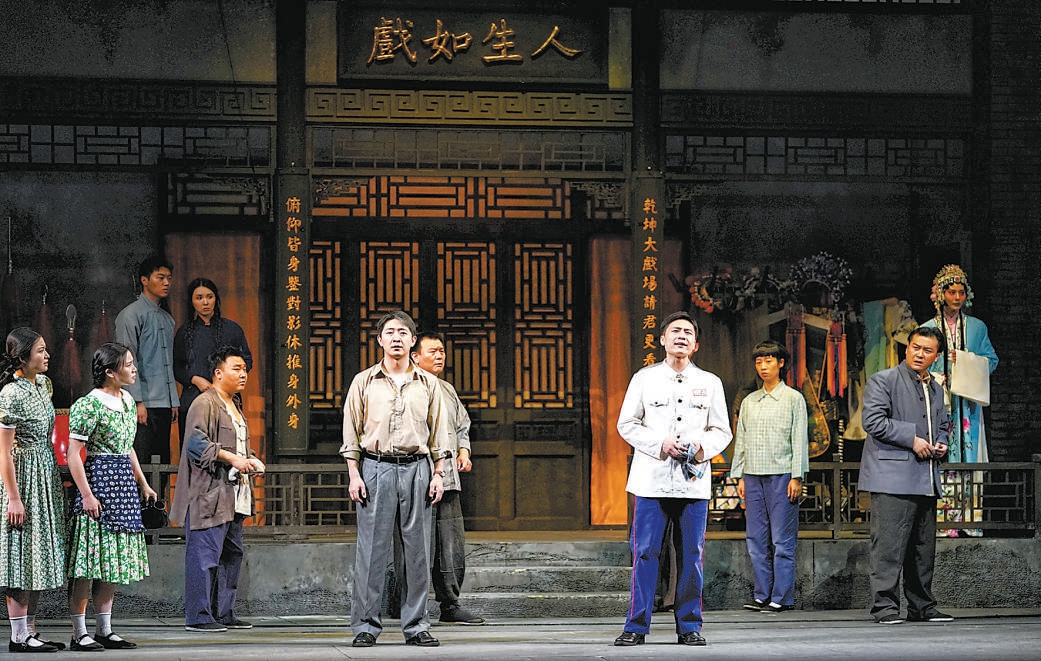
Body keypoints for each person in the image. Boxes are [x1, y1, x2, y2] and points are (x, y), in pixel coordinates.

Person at [613, 311, 733, 647]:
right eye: (675, 331)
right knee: (645, 553)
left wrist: (699, 448)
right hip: (650, 481)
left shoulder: (710, 383)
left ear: (696, 344)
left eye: (688, 332)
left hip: (692, 482)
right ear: (663, 340)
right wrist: (659, 444)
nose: (681, 336)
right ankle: (636, 626)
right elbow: (626, 424)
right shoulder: (644, 378)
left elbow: (722, 430)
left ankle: (689, 626)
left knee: (692, 555)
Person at [341, 311, 451, 649]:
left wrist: (439, 473)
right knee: (371, 552)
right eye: (390, 332)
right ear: (380, 340)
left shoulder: (429, 384)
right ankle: (365, 626)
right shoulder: (364, 381)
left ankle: (416, 626)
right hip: (375, 468)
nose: (396, 338)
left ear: (413, 340)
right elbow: (351, 431)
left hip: (418, 468)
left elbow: (439, 432)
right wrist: (354, 474)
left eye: (403, 332)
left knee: (417, 553)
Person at [66, 343, 158, 651]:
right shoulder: (89, 404)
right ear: (110, 372)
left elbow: (127, 446)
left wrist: (142, 482)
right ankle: (79, 633)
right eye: (128, 364)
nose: (133, 369)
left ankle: (104, 630)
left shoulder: (128, 400)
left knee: (112, 562)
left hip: (123, 486)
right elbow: (74, 454)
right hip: (98, 483)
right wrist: (87, 495)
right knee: (88, 563)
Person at [860, 325, 953, 625]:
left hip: (925, 476)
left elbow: (943, 423)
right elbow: (873, 421)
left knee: (923, 548)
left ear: (936, 356)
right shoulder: (884, 380)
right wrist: (912, 439)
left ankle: (922, 606)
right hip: (892, 477)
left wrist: (942, 441)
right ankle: (885, 607)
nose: (919, 354)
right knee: (889, 546)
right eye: (915, 347)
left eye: (927, 350)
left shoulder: (936, 388)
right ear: (907, 347)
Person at [169, 346, 264, 633]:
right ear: (218, 373)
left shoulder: (235, 405)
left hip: (234, 493)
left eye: (244, 369)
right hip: (208, 494)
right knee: (205, 555)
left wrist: (249, 459)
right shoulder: (205, 402)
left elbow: (237, 447)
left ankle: (224, 612)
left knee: (231, 554)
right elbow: (195, 443)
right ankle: (199, 615)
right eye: (236, 368)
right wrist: (232, 458)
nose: (243, 374)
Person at [0, 328, 67, 653]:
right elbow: (3, 452)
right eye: (40, 350)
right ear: (23, 357)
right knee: (20, 552)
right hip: (23, 476)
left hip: (45, 473)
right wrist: (14, 498)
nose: (47, 355)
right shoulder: (10, 394)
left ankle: (31, 631)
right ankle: (18, 636)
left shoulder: (44, 384)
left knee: (38, 552)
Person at [410, 331, 484, 625]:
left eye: (441, 351)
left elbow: (462, 425)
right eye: (433, 351)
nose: (439, 355)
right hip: (419, 478)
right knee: (416, 544)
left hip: (449, 480)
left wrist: (464, 451)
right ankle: (410, 606)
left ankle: (450, 604)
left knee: (450, 545)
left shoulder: (447, 389)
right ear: (416, 357)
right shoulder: (409, 387)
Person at [731, 340, 809, 614]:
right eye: (759, 362)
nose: (763, 366)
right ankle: (761, 594)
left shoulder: (793, 398)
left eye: (768, 361)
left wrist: (797, 476)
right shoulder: (750, 401)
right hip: (753, 477)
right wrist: (739, 476)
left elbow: (799, 439)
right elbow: (741, 440)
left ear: (781, 363)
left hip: (782, 476)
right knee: (755, 539)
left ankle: (782, 596)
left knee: (782, 540)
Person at [922, 264, 998, 536]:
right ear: (941, 294)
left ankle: (969, 521)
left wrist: (967, 361)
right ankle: (944, 523)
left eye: (961, 292)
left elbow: (992, 360)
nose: (957, 297)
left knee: (969, 456)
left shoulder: (976, 327)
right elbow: (918, 365)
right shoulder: (927, 328)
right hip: (940, 403)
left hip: (968, 406)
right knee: (942, 455)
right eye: (951, 292)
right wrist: (937, 377)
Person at [115, 255, 179, 464]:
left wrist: (173, 401)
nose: (166, 282)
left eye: (169, 278)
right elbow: (126, 361)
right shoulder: (130, 315)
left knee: (163, 460)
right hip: (143, 402)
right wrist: (137, 402)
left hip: (164, 403)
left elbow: (168, 363)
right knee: (142, 461)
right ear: (144, 280)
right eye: (160, 277)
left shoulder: (167, 319)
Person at [174, 277, 253, 444]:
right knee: (194, 448)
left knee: (228, 447)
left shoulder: (232, 329)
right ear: (192, 302)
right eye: (199, 298)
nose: (205, 302)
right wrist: (195, 379)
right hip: (194, 397)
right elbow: (177, 367)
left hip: (227, 398)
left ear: (216, 299)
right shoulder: (184, 332)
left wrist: (226, 380)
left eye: (209, 297)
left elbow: (247, 360)